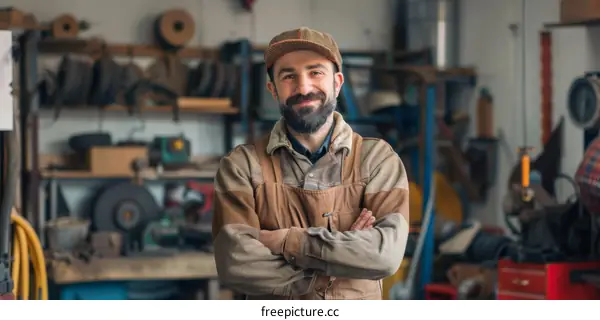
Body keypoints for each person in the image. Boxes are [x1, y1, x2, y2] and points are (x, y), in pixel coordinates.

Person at [212, 27, 409, 300]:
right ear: (273, 89)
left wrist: (285, 242)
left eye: (315, 72)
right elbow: (236, 262)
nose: (303, 87)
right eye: (289, 76)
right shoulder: (242, 166)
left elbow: (385, 256)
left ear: (337, 83)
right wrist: (342, 263)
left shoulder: (377, 160)